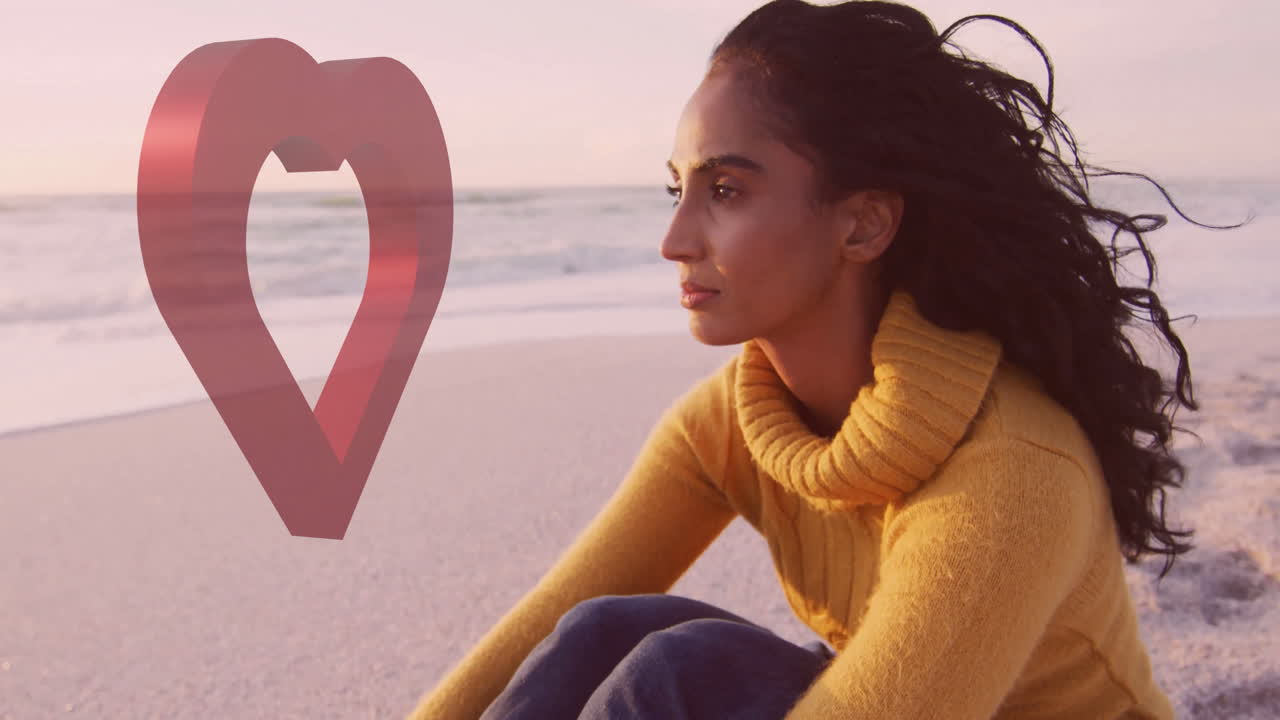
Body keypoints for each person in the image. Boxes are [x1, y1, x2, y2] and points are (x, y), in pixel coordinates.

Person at [407, 1, 1244, 718]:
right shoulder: (733, 420)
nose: (674, 240)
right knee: (602, 630)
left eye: (726, 191)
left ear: (862, 225)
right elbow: (545, 619)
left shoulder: (1012, 472)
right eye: (679, 189)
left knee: (676, 672)